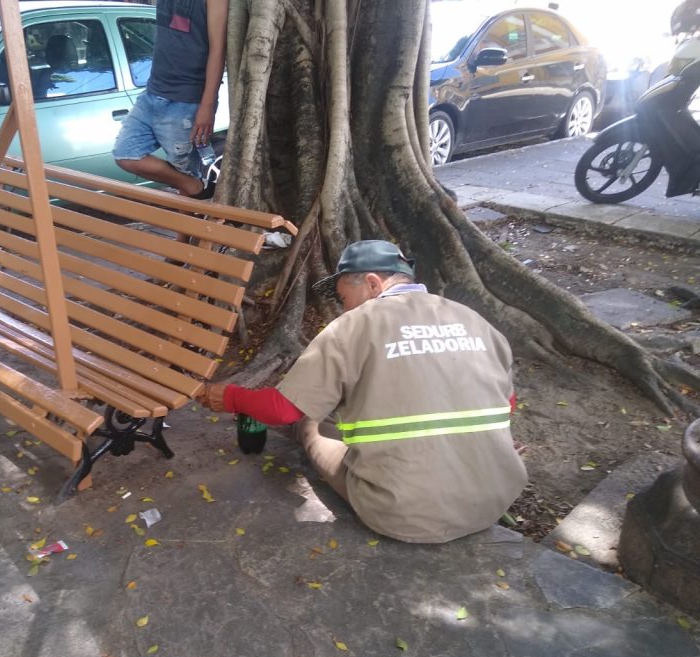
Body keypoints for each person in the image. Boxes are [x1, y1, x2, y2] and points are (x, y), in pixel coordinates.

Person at [200, 240, 528, 544]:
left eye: (343, 299)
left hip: (403, 513)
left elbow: (283, 409)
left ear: (372, 283)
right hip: (494, 499)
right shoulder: (474, 320)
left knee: (309, 424)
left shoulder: (352, 326)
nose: (343, 309)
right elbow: (506, 405)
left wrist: (230, 397)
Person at [112, 0, 228, 199]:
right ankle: (195, 187)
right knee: (125, 153)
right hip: (153, 92)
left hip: (186, 101)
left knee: (188, 171)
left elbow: (218, 50)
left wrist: (207, 105)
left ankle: (195, 214)